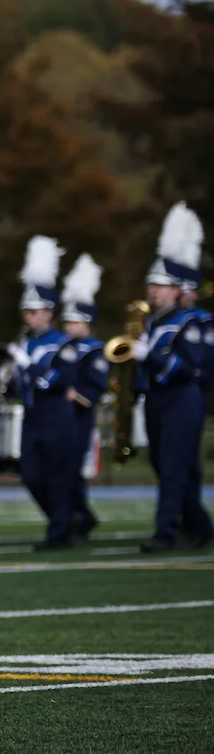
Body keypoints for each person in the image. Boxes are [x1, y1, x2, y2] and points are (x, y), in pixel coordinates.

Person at [135, 204, 213, 552]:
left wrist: (149, 357)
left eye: (163, 286)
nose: (155, 291)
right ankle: (199, 525)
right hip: (156, 399)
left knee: (174, 465)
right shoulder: (152, 323)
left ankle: (166, 531)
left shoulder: (190, 322)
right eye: (152, 284)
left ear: (177, 290)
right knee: (168, 464)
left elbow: (191, 368)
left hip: (183, 398)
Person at [8, 236, 76, 551]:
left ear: (49, 312)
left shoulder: (64, 343)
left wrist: (29, 366)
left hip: (56, 416)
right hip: (33, 417)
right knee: (31, 475)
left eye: (35, 311)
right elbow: (18, 389)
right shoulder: (24, 343)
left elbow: (58, 382)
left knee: (58, 477)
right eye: (27, 312)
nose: (30, 317)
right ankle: (62, 520)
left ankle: (59, 531)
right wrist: (8, 376)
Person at [57, 254, 107, 541]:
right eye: (67, 321)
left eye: (75, 321)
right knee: (63, 469)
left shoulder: (93, 349)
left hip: (79, 415)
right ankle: (78, 515)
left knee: (73, 469)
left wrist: (78, 395)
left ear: (87, 322)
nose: (69, 326)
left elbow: (97, 384)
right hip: (60, 416)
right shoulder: (63, 345)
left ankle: (82, 517)